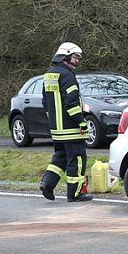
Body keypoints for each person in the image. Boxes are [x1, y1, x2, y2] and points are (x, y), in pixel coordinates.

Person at [38, 42, 93, 202]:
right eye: (76, 57)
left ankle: (47, 183)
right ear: (66, 56)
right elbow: (71, 104)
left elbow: (45, 102)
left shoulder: (49, 75)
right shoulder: (68, 76)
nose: (78, 61)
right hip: (71, 129)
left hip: (57, 129)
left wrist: (53, 121)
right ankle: (74, 193)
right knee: (77, 160)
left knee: (60, 157)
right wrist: (81, 122)